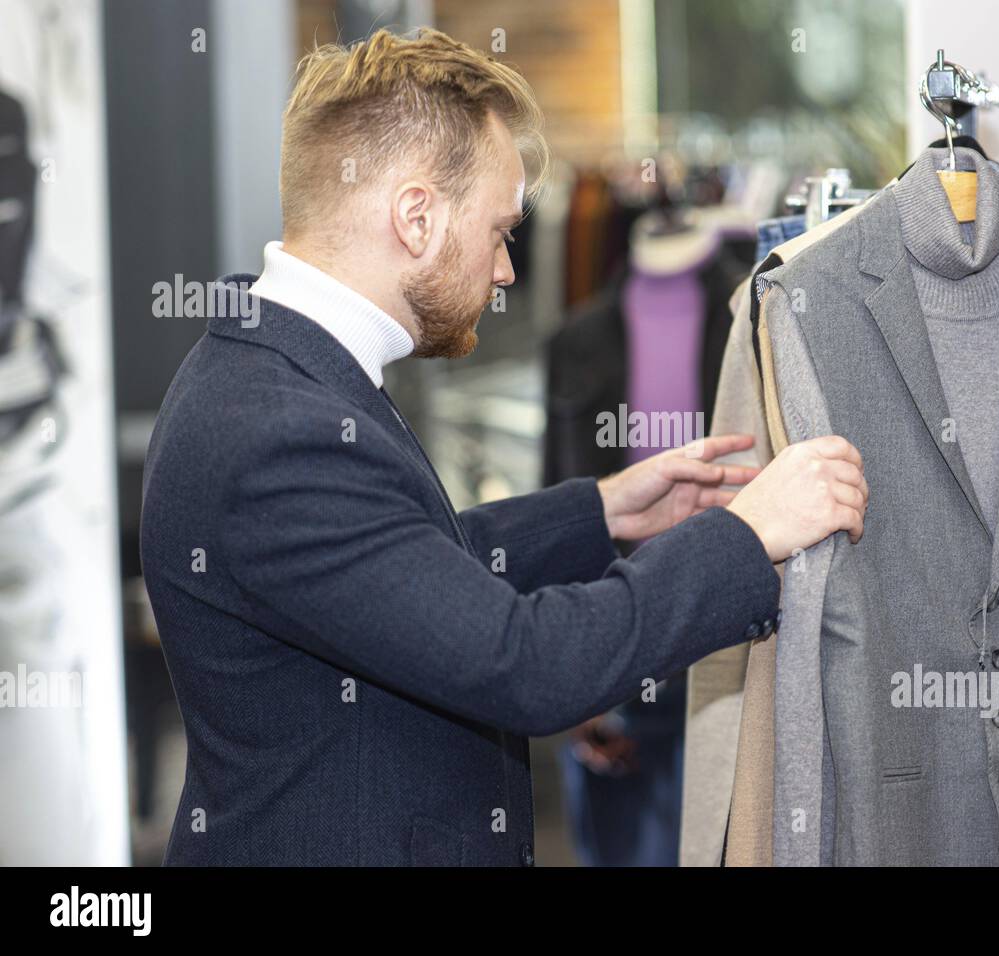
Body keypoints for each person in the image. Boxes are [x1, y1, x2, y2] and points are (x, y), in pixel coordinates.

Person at [139, 27, 868, 866]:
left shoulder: (274, 369)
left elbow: (399, 573)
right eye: (499, 230)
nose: (507, 270)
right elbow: (525, 665)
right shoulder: (279, 429)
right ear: (416, 216)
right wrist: (745, 538)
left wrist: (603, 512)